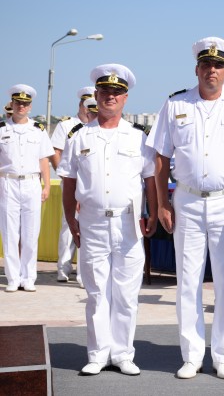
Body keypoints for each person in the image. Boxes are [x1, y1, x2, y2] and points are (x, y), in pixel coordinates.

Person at [146, 36, 224, 380]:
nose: (212, 70)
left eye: (218, 65)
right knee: (187, 282)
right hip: (186, 200)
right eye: (206, 64)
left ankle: (223, 355)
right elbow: (160, 157)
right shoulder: (175, 104)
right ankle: (192, 355)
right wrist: (162, 203)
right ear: (197, 69)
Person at [58, 64, 157, 376]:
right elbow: (68, 183)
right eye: (104, 92)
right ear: (96, 96)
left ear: (125, 98)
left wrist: (153, 214)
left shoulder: (139, 138)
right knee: (97, 292)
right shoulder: (78, 137)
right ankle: (98, 354)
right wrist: (71, 220)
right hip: (92, 222)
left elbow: (150, 180)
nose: (110, 97)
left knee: (126, 294)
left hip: (129, 223)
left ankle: (123, 354)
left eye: (116, 92)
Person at [1, 85, 53, 292]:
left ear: (30, 107)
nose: (21, 106)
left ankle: (29, 277)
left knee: (31, 233)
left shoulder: (38, 130)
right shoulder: (2, 129)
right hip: (8, 182)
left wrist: (47, 185)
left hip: (32, 183)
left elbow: (44, 160)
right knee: (10, 233)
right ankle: (13, 278)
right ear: (12, 104)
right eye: (18, 103)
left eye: (25, 103)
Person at [50, 86, 93, 285]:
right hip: (70, 182)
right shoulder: (66, 125)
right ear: (80, 104)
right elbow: (55, 152)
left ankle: (84, 271)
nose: (88, 108)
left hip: (89, 185)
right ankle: (64, 267)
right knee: (69, 224)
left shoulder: (98, 125)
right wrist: (66, 177)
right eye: (86, 104)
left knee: (88, 225)